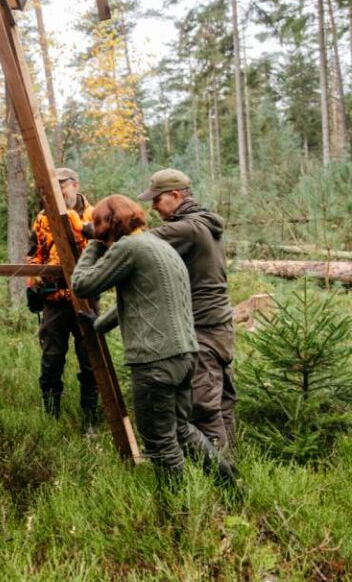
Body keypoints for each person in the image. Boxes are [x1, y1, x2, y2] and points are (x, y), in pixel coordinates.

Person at [71, 195, 234, 487]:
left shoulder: (129, 248)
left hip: (155, 360)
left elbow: (82, 284)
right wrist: (98, 325)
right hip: (185, 355)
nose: (96, 229)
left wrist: (94, 243)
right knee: (181, 429)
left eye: (99, 223)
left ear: (109, 224)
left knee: (159, 443)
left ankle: (178, 511)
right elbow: (139, 300)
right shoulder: (159, 246)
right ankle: (230, 486)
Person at [138, 168, 236, 455]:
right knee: (223, 403)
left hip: (203, 328)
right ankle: (231, 464)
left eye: (157, 200)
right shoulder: (205, 223)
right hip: (220, 325)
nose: (154, 206)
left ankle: (220, 478)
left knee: (204, 406)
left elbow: (134, 246)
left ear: (175, 195)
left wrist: (94, 231)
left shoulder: (186, 229)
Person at [27, 167, 98, 422]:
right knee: (51, 359)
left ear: (74, 185)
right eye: (52, 187)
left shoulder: (94, 217)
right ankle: (51, 418)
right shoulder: (43, 218)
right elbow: (35, 253)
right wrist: (33, 283)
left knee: (91, 359)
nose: (57, 192)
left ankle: (90, 419)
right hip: (54, 301)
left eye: (61, 185)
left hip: (87, 300)